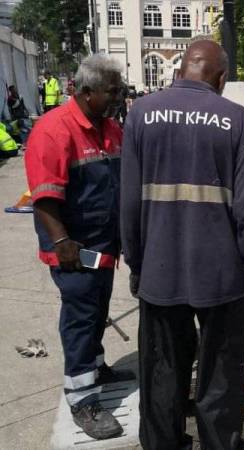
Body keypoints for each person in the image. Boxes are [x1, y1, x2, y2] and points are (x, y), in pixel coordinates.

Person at [121, 40, 244, 450]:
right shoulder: (235, 118)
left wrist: (136, 263)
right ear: (221, 78)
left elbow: (129, 202)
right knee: (220, 377)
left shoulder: (141, 114)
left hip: (159, 271)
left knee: (161, 373)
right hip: (222, 278)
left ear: (182, 69)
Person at [24, 54, 134, 441]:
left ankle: (97, 367)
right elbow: (44, 197)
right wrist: (61, 241)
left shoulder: (110, 129)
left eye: (119, 90)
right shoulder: (54, 131)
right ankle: (83, 399)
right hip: (74, 248)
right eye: (111, 91)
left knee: (98, 308)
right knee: (81, 318)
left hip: (104, 244)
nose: (117, 98)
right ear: (85, 92)